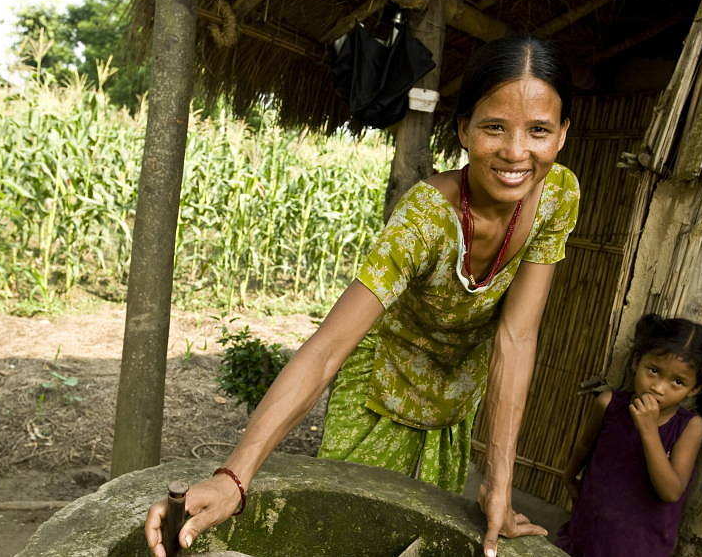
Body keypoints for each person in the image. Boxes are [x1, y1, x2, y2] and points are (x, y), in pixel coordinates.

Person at [146, 35, 580, 557]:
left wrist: (498, 481)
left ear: (561, 136)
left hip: (454, 395)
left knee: (421, 538)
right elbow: (330, 345)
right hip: (380, 386)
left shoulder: (558, 196)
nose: (515, 152)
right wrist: (233, 478)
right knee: (347, 536)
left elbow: (517, 335)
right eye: (494, 127)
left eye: (538, 131)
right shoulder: (424, 218)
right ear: (463, 130)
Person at [556, 314, 702, 556]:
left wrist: (649, 431)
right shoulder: (608, 404)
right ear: (636, 362)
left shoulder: (690, 427)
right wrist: (568, 475)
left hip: (641, 545)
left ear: (695, 389)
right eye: (653, 370)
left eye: (677, 382)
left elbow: (671, 491)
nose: (658, 388)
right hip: (590, 532)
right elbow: (585, 445)